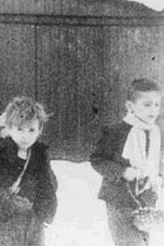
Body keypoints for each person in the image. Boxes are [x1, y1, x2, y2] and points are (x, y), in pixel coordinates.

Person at [0, 96, 58, 246]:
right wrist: (5, 202)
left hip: (32, 221)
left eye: (32, 130)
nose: (26, 136)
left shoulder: (40, 154)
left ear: (40, 130)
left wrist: (44, 212)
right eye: (20, 129)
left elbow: (48, 185)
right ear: (10, 128)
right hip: (3, 220)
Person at [90, 78, 163, 246]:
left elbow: (154, 162)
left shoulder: (155, 133)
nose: (153, 110)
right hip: (120, 200)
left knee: (142, 242)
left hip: (145, 200)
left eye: (156, 105)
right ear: (130, 107)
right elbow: (97, 159)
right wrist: (122, 172)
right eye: (147, 104)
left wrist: (158, 177)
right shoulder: (115, 132)